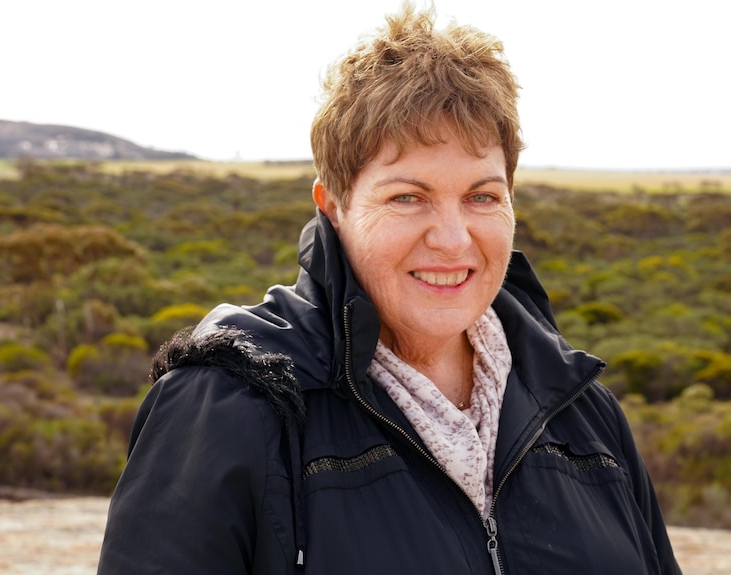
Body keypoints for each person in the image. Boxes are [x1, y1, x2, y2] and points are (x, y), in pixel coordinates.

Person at [98, 4, 682, 574]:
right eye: (408, 197)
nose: (454, 240)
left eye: (482, 196)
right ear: (333, 207)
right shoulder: (231, 407)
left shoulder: (582, 410)